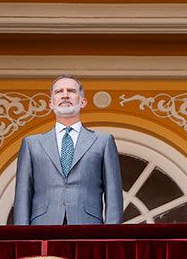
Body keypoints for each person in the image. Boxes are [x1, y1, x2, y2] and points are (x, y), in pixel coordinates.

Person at [13, 75, 123, 225]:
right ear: (51, 103)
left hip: (88, 227)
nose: (65, 95)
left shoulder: (103, 142)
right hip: (43, 227)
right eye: (59, 92)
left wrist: (111, 237)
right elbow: (22, 194)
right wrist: (23, 236)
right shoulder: (31, 144)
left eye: (71, 91)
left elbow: (113, 194)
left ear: (83, 102)